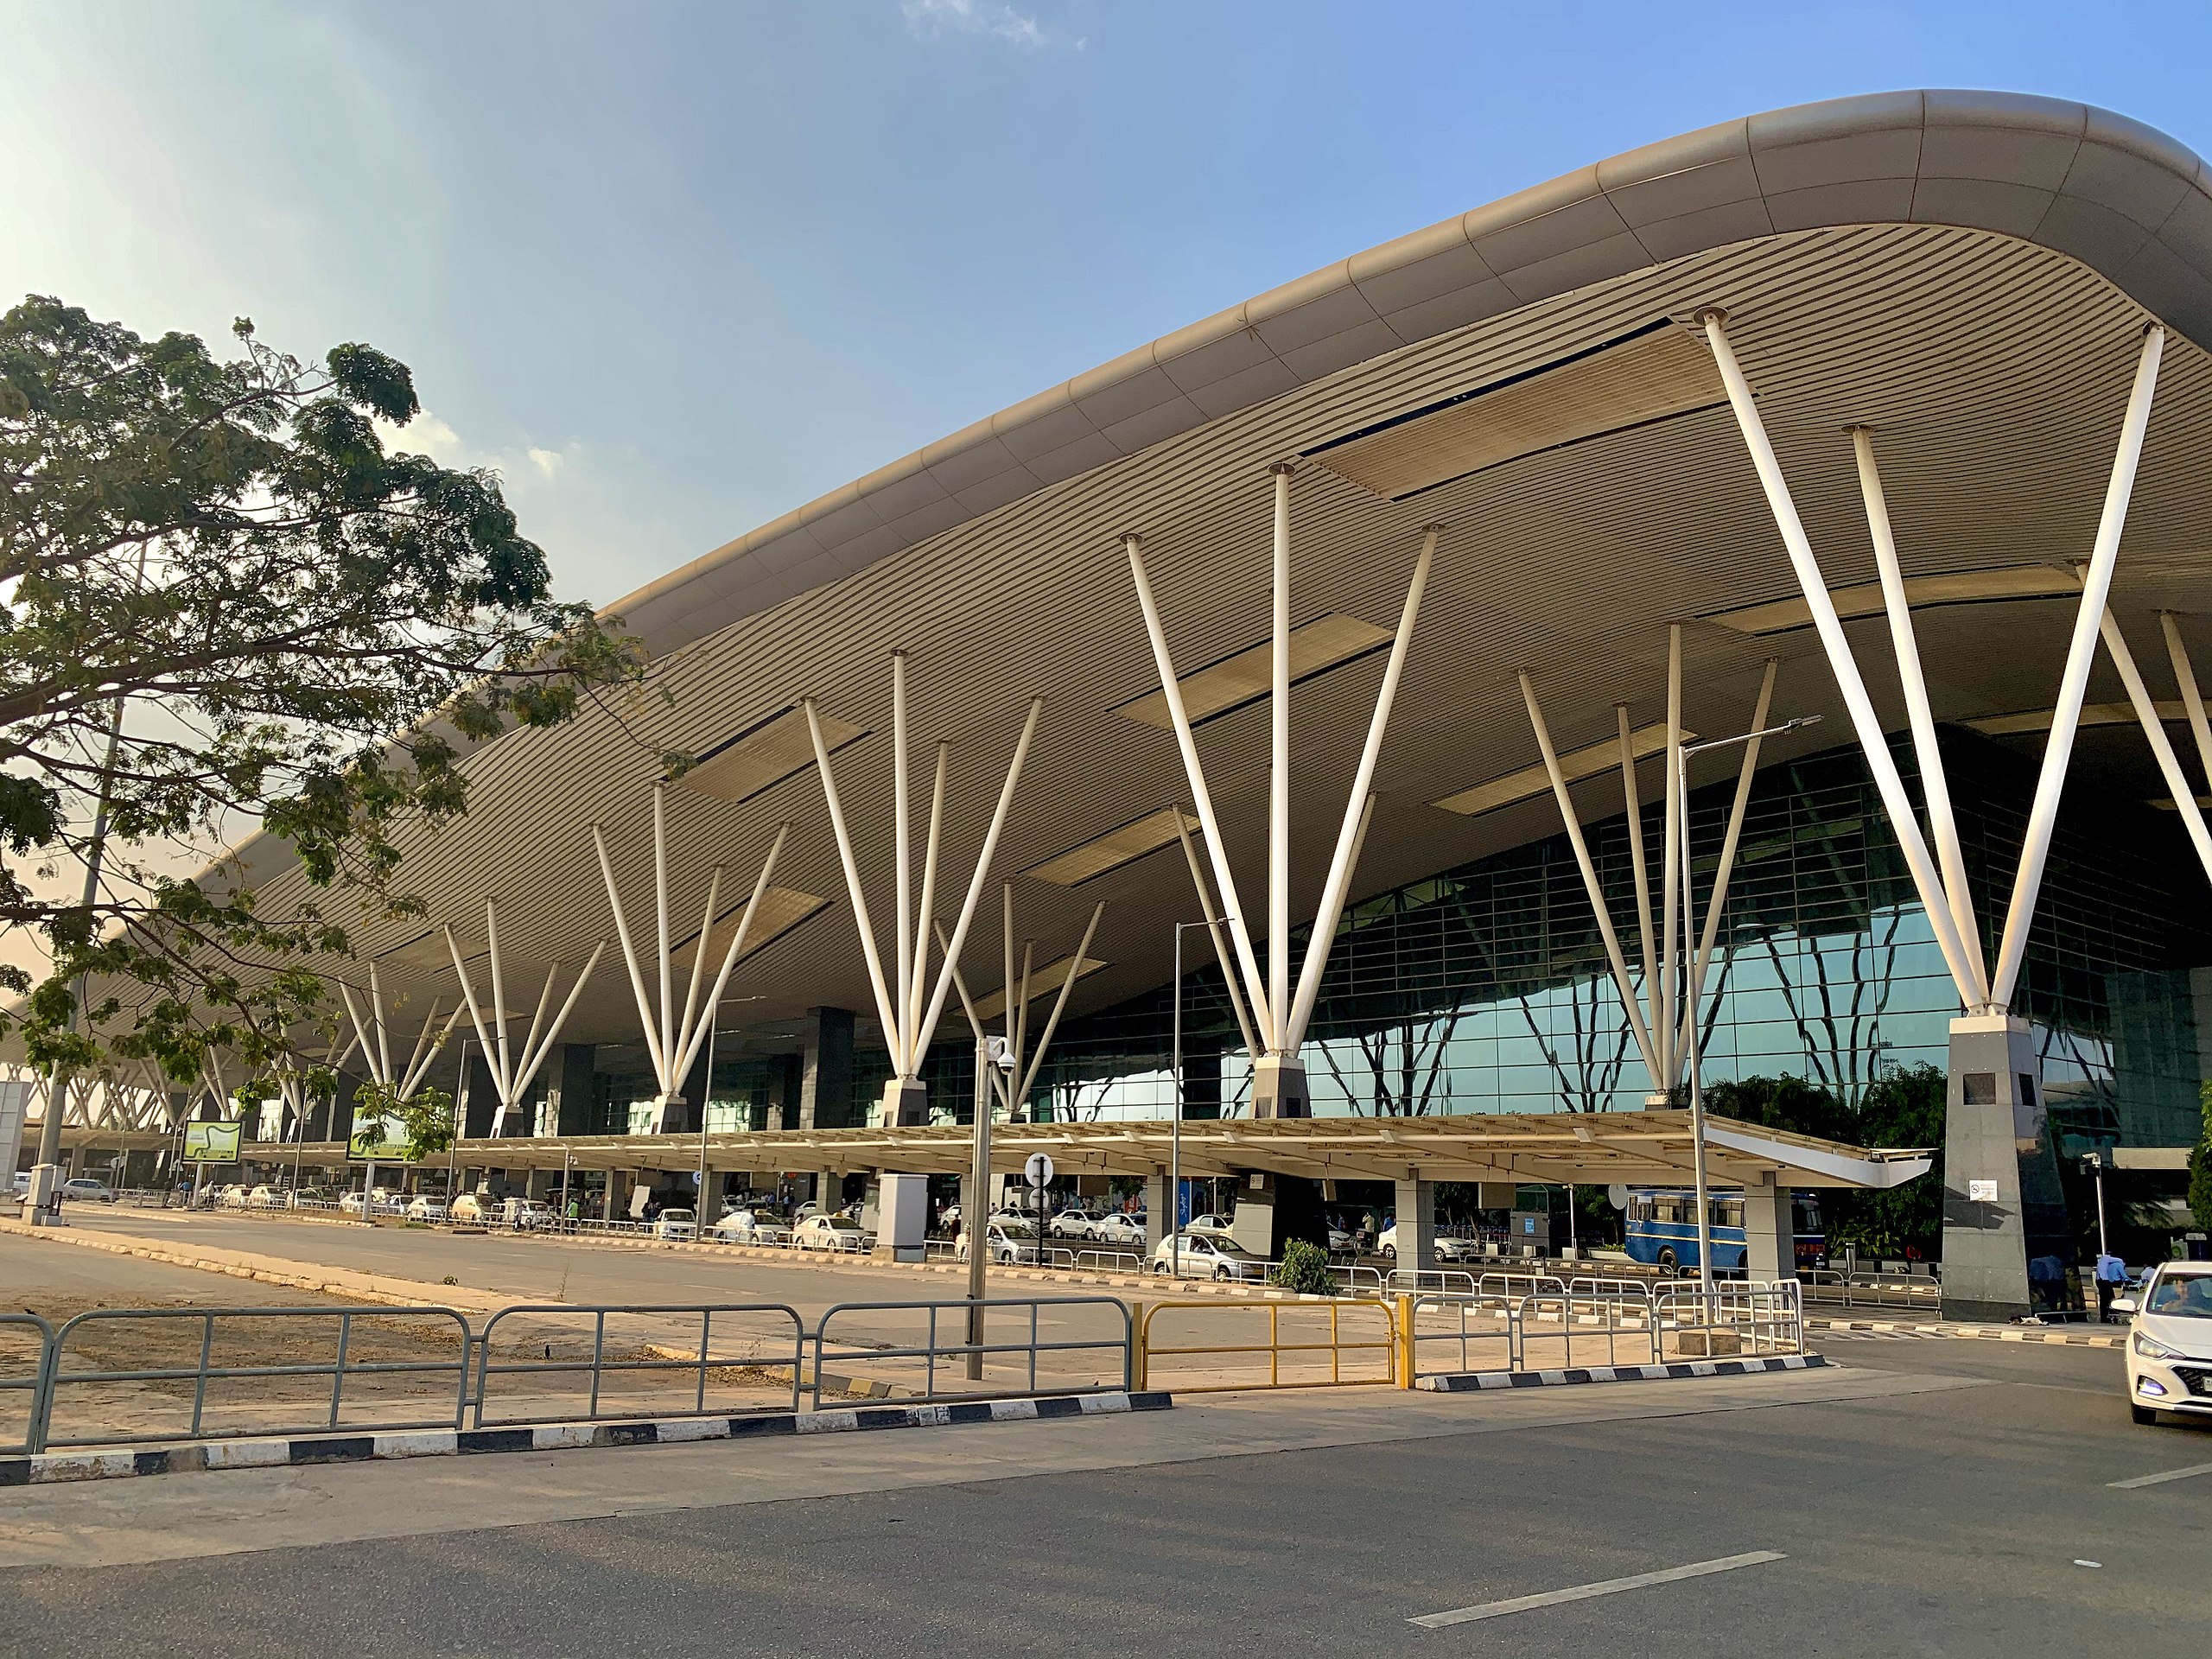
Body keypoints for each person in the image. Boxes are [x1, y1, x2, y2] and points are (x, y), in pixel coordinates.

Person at [2094, 1250, 2128, 1322]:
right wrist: (2122, 1264)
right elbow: (2120, 1260)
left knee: (2104, 1299)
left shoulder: (2102, 1260)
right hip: (2104, 1281)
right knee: (2110, 1298)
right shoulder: (2107, 1258)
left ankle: (2105, 1316)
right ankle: (2109, 1316)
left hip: (2100, 1281)